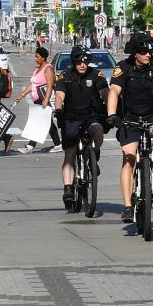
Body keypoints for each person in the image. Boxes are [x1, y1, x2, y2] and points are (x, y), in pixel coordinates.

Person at [106, 33, 153, 223]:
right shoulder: (123, 67)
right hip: (130, 116)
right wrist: (112, 115)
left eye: (150, 51)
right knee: (128, 158)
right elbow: (114, 91)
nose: (148, 54)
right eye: (143, 51)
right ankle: (128, 206)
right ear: (134, 53)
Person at [53, 46, 109, 209]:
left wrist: (111, 108)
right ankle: (68, 188)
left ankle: (95, 153)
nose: (82, 65)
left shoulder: (96, 74)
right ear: (74, 62)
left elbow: (105, 92)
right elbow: (59, 95)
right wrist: (58, 109)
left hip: (91, 115)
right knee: (69, 153)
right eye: (79, 62)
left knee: (98, 130)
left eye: (85, 61)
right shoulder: (65, 76)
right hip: (71, 117)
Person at [14, 47, 61, 154]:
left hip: (43, 99)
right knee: (45, 123)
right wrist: (22, 95)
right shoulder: (37, 69)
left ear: (43, 57)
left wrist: (46, 99)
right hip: (37, 100)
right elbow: (32, 85)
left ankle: (30, 146)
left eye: (37, 57)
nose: (35, 59)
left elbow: (49, 86)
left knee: (40, 122)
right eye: (35, 56)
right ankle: (57, 144)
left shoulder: (48, 68)